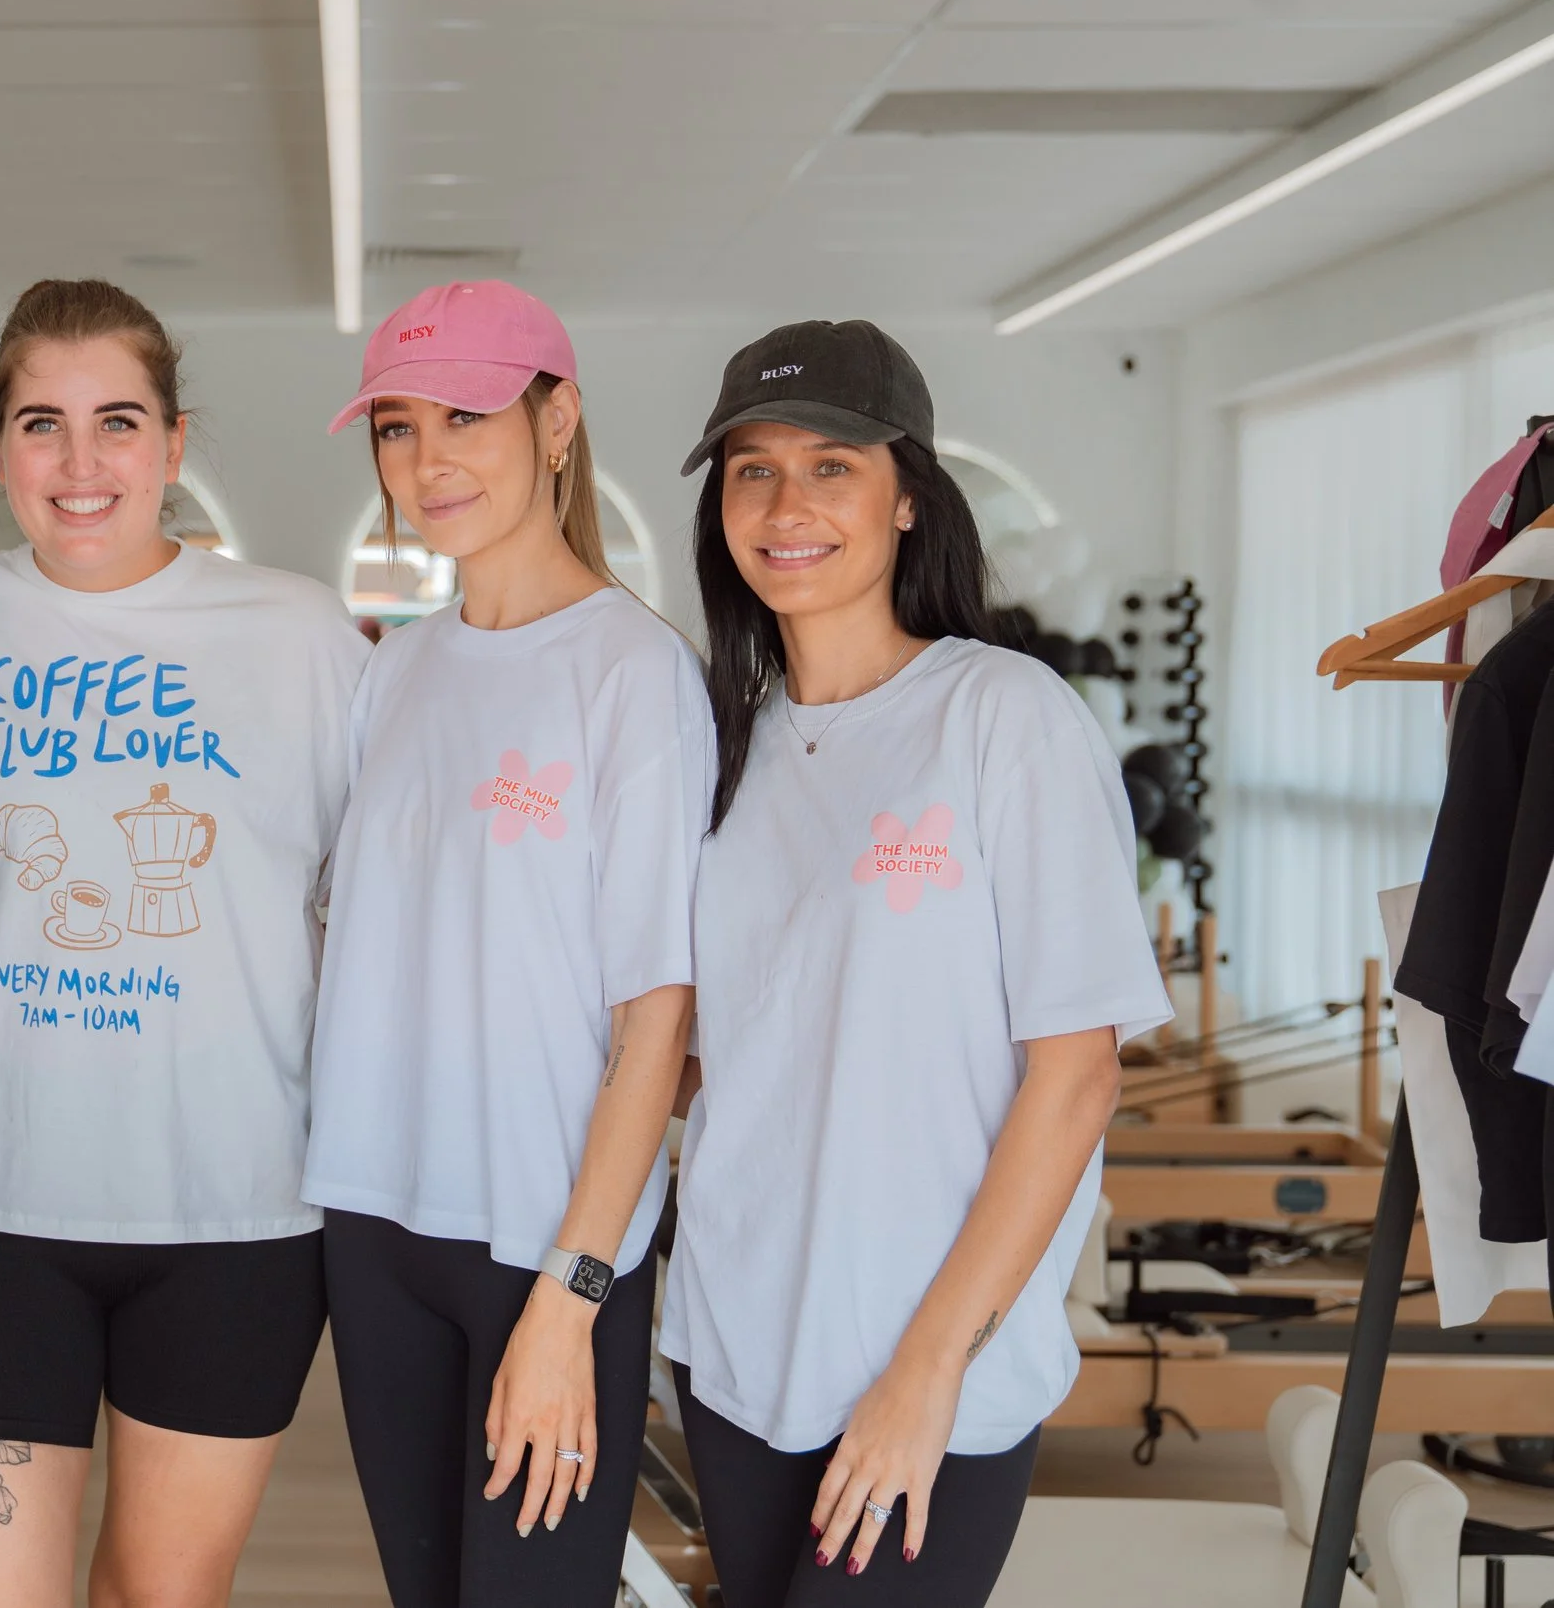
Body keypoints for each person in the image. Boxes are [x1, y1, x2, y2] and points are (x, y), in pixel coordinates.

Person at [0, 279, 368, 1608]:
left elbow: (369, 903)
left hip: (234, 1208)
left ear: (176, 443)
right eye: (42, 422)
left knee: (160, 1594)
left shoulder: (301, 634)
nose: (81, 462)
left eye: (118, 421)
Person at [662, 321, 1170, 1607]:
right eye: (750, 469)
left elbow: (1075, 1080)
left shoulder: (1003, 718)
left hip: (927, 1369)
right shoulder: (724, 748)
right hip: (733, 1351)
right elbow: (719, 1055)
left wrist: (926, 1369)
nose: (785, 505)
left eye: (831, 466)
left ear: (905, 499)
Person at [303, 280, 713, 1607]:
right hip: (374, 1221)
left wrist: (574, 1295)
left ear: (558, 420)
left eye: (468, 415)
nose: (429, 461)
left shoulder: (632, 673)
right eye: (397, 427)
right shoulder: (395, 673)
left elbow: (658, 1022)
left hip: (544, 1242)